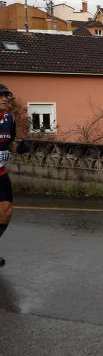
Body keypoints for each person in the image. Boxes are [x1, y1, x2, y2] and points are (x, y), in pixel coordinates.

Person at [0, 84, 30, 268]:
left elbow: (10, 143)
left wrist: (19, 147)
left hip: (1, 173)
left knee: (6, 213)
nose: (5, 98)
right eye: (1, 95)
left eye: (7, 95)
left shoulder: (8, 119)